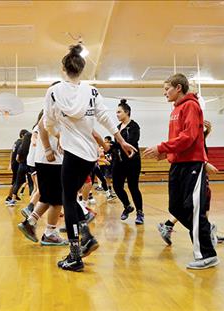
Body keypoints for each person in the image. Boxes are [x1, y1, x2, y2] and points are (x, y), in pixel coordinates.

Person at [44, 44, 136, 272]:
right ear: (81, 69)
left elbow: (47, 122)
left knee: (67, 199)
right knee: (72, 198)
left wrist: (57, 133)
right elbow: (105, 116)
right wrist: (121, 140)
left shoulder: (54, 91)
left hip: (72, 154)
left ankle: (75, 255)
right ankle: (85, 236)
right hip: (89, 156)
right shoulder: (92, 92)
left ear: (63, 68)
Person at [143, 73, 218, 270]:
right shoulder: (175, 109)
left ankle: (207, 255)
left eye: (167, 89)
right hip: (177, 164)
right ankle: (206, 230)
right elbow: (178, 140)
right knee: (175, 207)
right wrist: (164, 154)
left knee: (194, 210)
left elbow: (189, 137)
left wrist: (161, 147)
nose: (164, 93)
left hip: (192, 165)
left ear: (178, 88)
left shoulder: (191, 105)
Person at [157, 120, 224, 245]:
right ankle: (206, 231)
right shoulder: (187, 126)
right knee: (196, 202)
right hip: (193, 170)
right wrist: (204, 164)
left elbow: (198, 144)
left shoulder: (196, 131)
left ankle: (171, 226)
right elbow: (190, 150)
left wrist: (207, 132)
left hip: (196, 168)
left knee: (200, 202)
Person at [18, 112, 68, 246]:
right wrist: (47, 149)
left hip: (50, 160)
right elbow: (41, 126)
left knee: (47, 197)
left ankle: (30, 223)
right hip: (51, 160)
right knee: (57, 200)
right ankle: (49, 234)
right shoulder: (56, 105)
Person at [111, 99, 144, 224]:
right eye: (116, 112)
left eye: (119, 112)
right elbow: (117, 144)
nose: (117, 114)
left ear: (127, 112)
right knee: (117, 186)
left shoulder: (134, 126)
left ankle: (140, 213)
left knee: (133, 187)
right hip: (118, 162)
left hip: (132, 162)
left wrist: (116, 145)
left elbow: (130, 142)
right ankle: (127, 206)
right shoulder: (118, 127)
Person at [5, 129, 28, 205]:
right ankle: (9, 197)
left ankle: (15, 194)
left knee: (22, 181)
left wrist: (10, 163)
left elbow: (11, 153)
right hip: (17, 164)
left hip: (14, 163)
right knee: (15, 181)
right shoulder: (21, 143)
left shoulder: (16, 142)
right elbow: (18, 155)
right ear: (22, 135)